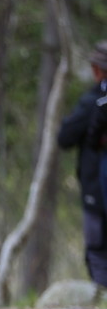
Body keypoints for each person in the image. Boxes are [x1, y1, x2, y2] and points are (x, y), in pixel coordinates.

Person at [58, 41, 107, 287]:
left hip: (96, 188)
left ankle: (102, 298)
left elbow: (64, 137)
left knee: (97, 248)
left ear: (97, 70)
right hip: (96, 186)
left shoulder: (93, 102)